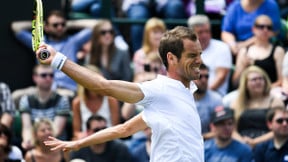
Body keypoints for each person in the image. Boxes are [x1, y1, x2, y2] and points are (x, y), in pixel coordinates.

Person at [41, 26, 204, 162]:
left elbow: (123, 130)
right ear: (171, 58)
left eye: (199, 54)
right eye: (192, 55)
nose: (199, 60)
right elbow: (103, 86)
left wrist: (79, 143)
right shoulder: (160, 90)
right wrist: (57, 59)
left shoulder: (185, 92)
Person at [11, 10, 98, 94]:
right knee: (16, 95)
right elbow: (15, 27)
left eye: (63, 24)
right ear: (46, 27)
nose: (60, 27)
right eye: (55, 25)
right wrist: (39, 25)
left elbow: (96, 25)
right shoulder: (40, 42)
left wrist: (70, 24)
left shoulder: (73, 41)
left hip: (68, 90)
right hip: (43, 89)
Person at [230, 65, 285, 148]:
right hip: (242, 144)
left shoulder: (275, 102)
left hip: (268, 144)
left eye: (261, 79)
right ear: (245, 84)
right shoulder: (236, 104)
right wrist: (242, 141)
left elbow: (281, 128)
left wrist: (255, 142)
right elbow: (231, 129)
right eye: (254, 80)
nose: (258, 82)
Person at [19, 64, 70, 151]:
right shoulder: (26, 100)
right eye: (44, 75)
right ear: (34, 78)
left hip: (57, 147)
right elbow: (27, 127)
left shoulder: (62, 99)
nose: (48, 78)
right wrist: (27, 141)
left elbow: (56, 130)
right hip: (35, 146)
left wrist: (37, 141)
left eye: (51, 75)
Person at [232, 15, 285, 88]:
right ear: (253, 29)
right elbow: (235, 83)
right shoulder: (244, 51)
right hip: (247, 93)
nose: (265, 30)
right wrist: (244, 66)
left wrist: (263, 92)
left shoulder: (278, 51)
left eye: (269, 27)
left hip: (271, 91)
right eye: (261, 26)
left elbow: (282, 81)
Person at [72, 64, 120, 140]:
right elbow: (76, 132)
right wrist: (82, 135)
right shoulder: (77, 103)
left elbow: (116, 128)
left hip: (108, 140)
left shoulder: (111, 100)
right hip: (87, 141)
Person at [188, 14, 232, 96]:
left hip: (215, 94)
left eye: (207, 31)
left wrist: (203, 94)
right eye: (200, 32)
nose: (205, 35)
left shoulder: (222, 48)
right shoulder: (186, 49)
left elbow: (221, 77)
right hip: (190, 95)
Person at [122, 0, 187, 53]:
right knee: (138, 17)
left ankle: (178, 55)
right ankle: (140, 59)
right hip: (138, 2)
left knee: (175, 7)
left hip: (165, 2)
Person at [193, 64, 223, 140]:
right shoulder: (183, 98)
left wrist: (199, 139)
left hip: (209, 143)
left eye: (206, 77)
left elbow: (220, 130)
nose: (204, 80)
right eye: (200, 76)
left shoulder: (216, 99)